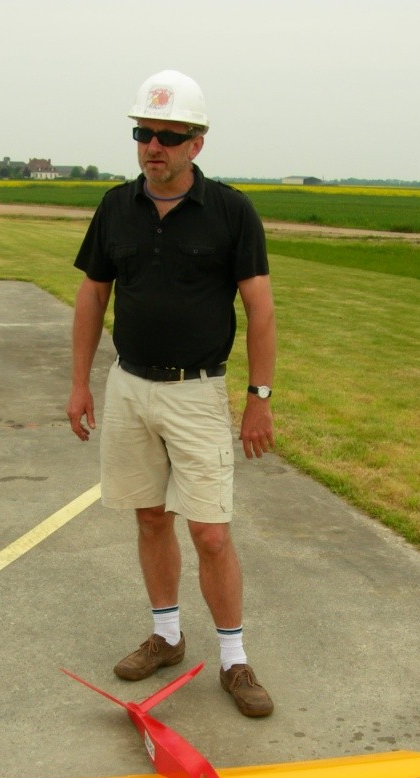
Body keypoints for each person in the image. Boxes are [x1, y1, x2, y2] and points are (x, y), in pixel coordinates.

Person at [66, 69, 277, 717]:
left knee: (211, 533)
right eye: (143, 133)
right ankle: (165, 635)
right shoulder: (114, 207)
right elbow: (93, 294)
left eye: (168, 135)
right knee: (150, 517)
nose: (152, 146)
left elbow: (260, 310)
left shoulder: (231, 212)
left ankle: (235, 661)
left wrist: (259, 396)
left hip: (197, 393)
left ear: (196, 144)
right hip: (130, 386)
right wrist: (79, 382)